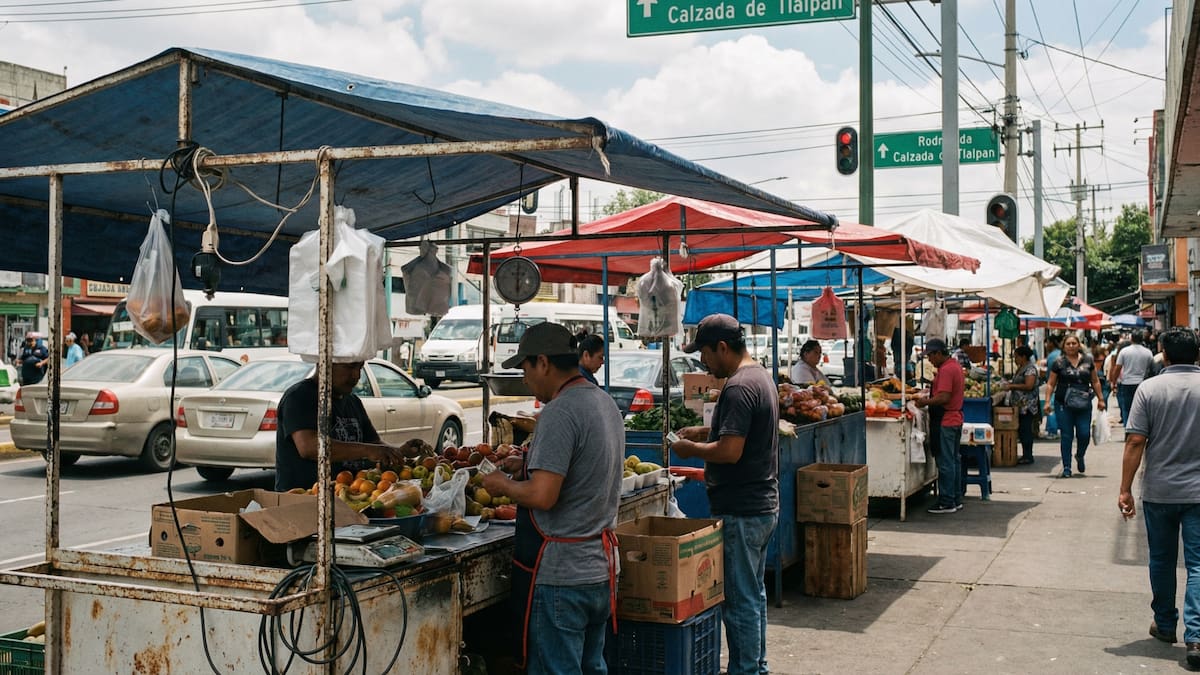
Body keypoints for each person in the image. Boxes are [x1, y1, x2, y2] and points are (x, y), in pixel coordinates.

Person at [480, 322, 623, 674]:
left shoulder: (560, 412)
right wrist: (529, 463)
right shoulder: (604, 402)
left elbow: (543, 496)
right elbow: (583, 469)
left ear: (543, 362)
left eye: (526, 369)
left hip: (564, 575)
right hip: (600, 571)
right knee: (592, 667)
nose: (526, 380)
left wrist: (501, 485)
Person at [669, 313, 778, 675]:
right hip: (760, 507)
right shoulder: (759, 376)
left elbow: (730, 451)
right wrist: (705, 431)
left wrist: (690, 449)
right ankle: (755, 666)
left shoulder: (737, 387)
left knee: (741, 600)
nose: (702, 361)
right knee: (753, 595)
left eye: (704, 352)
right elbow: (742, 432)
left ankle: (747, 670)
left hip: (742, 510)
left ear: (722, 347)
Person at [1118, 328, 1200, 668]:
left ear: (1162, 354)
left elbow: (1136, 441)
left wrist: (1124, 488)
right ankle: (1196, 637)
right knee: (1198, 565)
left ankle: (1165, 625)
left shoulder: (1148, 389)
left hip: (1160, 491)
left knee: (1163, 561)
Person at [275, 361, 427, 491]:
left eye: (359, 368)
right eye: (349, 367)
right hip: (303, 501)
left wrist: (397, 452)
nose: (356, 376)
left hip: (350, 495)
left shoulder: (353, 401)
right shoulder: (299, 396)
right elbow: (309, 447)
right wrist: (367, 450)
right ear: (324, 363)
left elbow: (373, 444)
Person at [913, 337, 965, 514]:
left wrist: (925, 401)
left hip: (946, 421)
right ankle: (955, 498)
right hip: (955, 418)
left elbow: (944, 397)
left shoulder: (947, 370)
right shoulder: (954, 366)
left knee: (945, 462)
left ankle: (946, 501)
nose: (929, 360)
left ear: (938, 353)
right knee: (953, 460)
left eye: (930, 356)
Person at [1043, 333, 1105, 478]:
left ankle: (1080, 454)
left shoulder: (1088, 360)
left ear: (1079, 345)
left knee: (1084, 434)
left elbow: (1095, 381)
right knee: (1066, 435)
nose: (1071, 346)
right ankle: (1067, 467)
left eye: (1074, 343)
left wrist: (1101, 399)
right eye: (1068, 344)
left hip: (1083, 403)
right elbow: (1051, 383)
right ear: (1063, 346)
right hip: (1063, 404)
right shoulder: (1058, 362)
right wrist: (1047, 401)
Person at [998, 345, 1040, 465]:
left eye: (1016, 357)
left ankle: (1028, 455)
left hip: (1026, 406)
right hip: (1019, 405)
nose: (1015, 359)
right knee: (1022, 430)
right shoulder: (1021, 368)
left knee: (1026, 430)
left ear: (1023, 357)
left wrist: (1012, 386)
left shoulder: (1030, 369)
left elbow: (1029, 386)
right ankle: (1026, 454)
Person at [1113, 331, 1154, 425]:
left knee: (1126, 408)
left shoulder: (1124, 351)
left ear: (1131, 339)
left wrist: (1114, 381)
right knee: (1141, 408)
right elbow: (1151, 369)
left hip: (1126, 383)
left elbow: (1118, 368)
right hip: (1142, 383)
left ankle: (1128, 428)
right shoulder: (1148, 352)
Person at [1042, 335, 1063, 438]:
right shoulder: (1061, 354)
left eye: (1047, 343)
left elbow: (1050, 374)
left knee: (1051, 407)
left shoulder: (1051, 356)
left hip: (1054, 385)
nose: (1046, 345)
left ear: (1051, 343)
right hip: (1062, 385)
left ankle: (1052, 430)